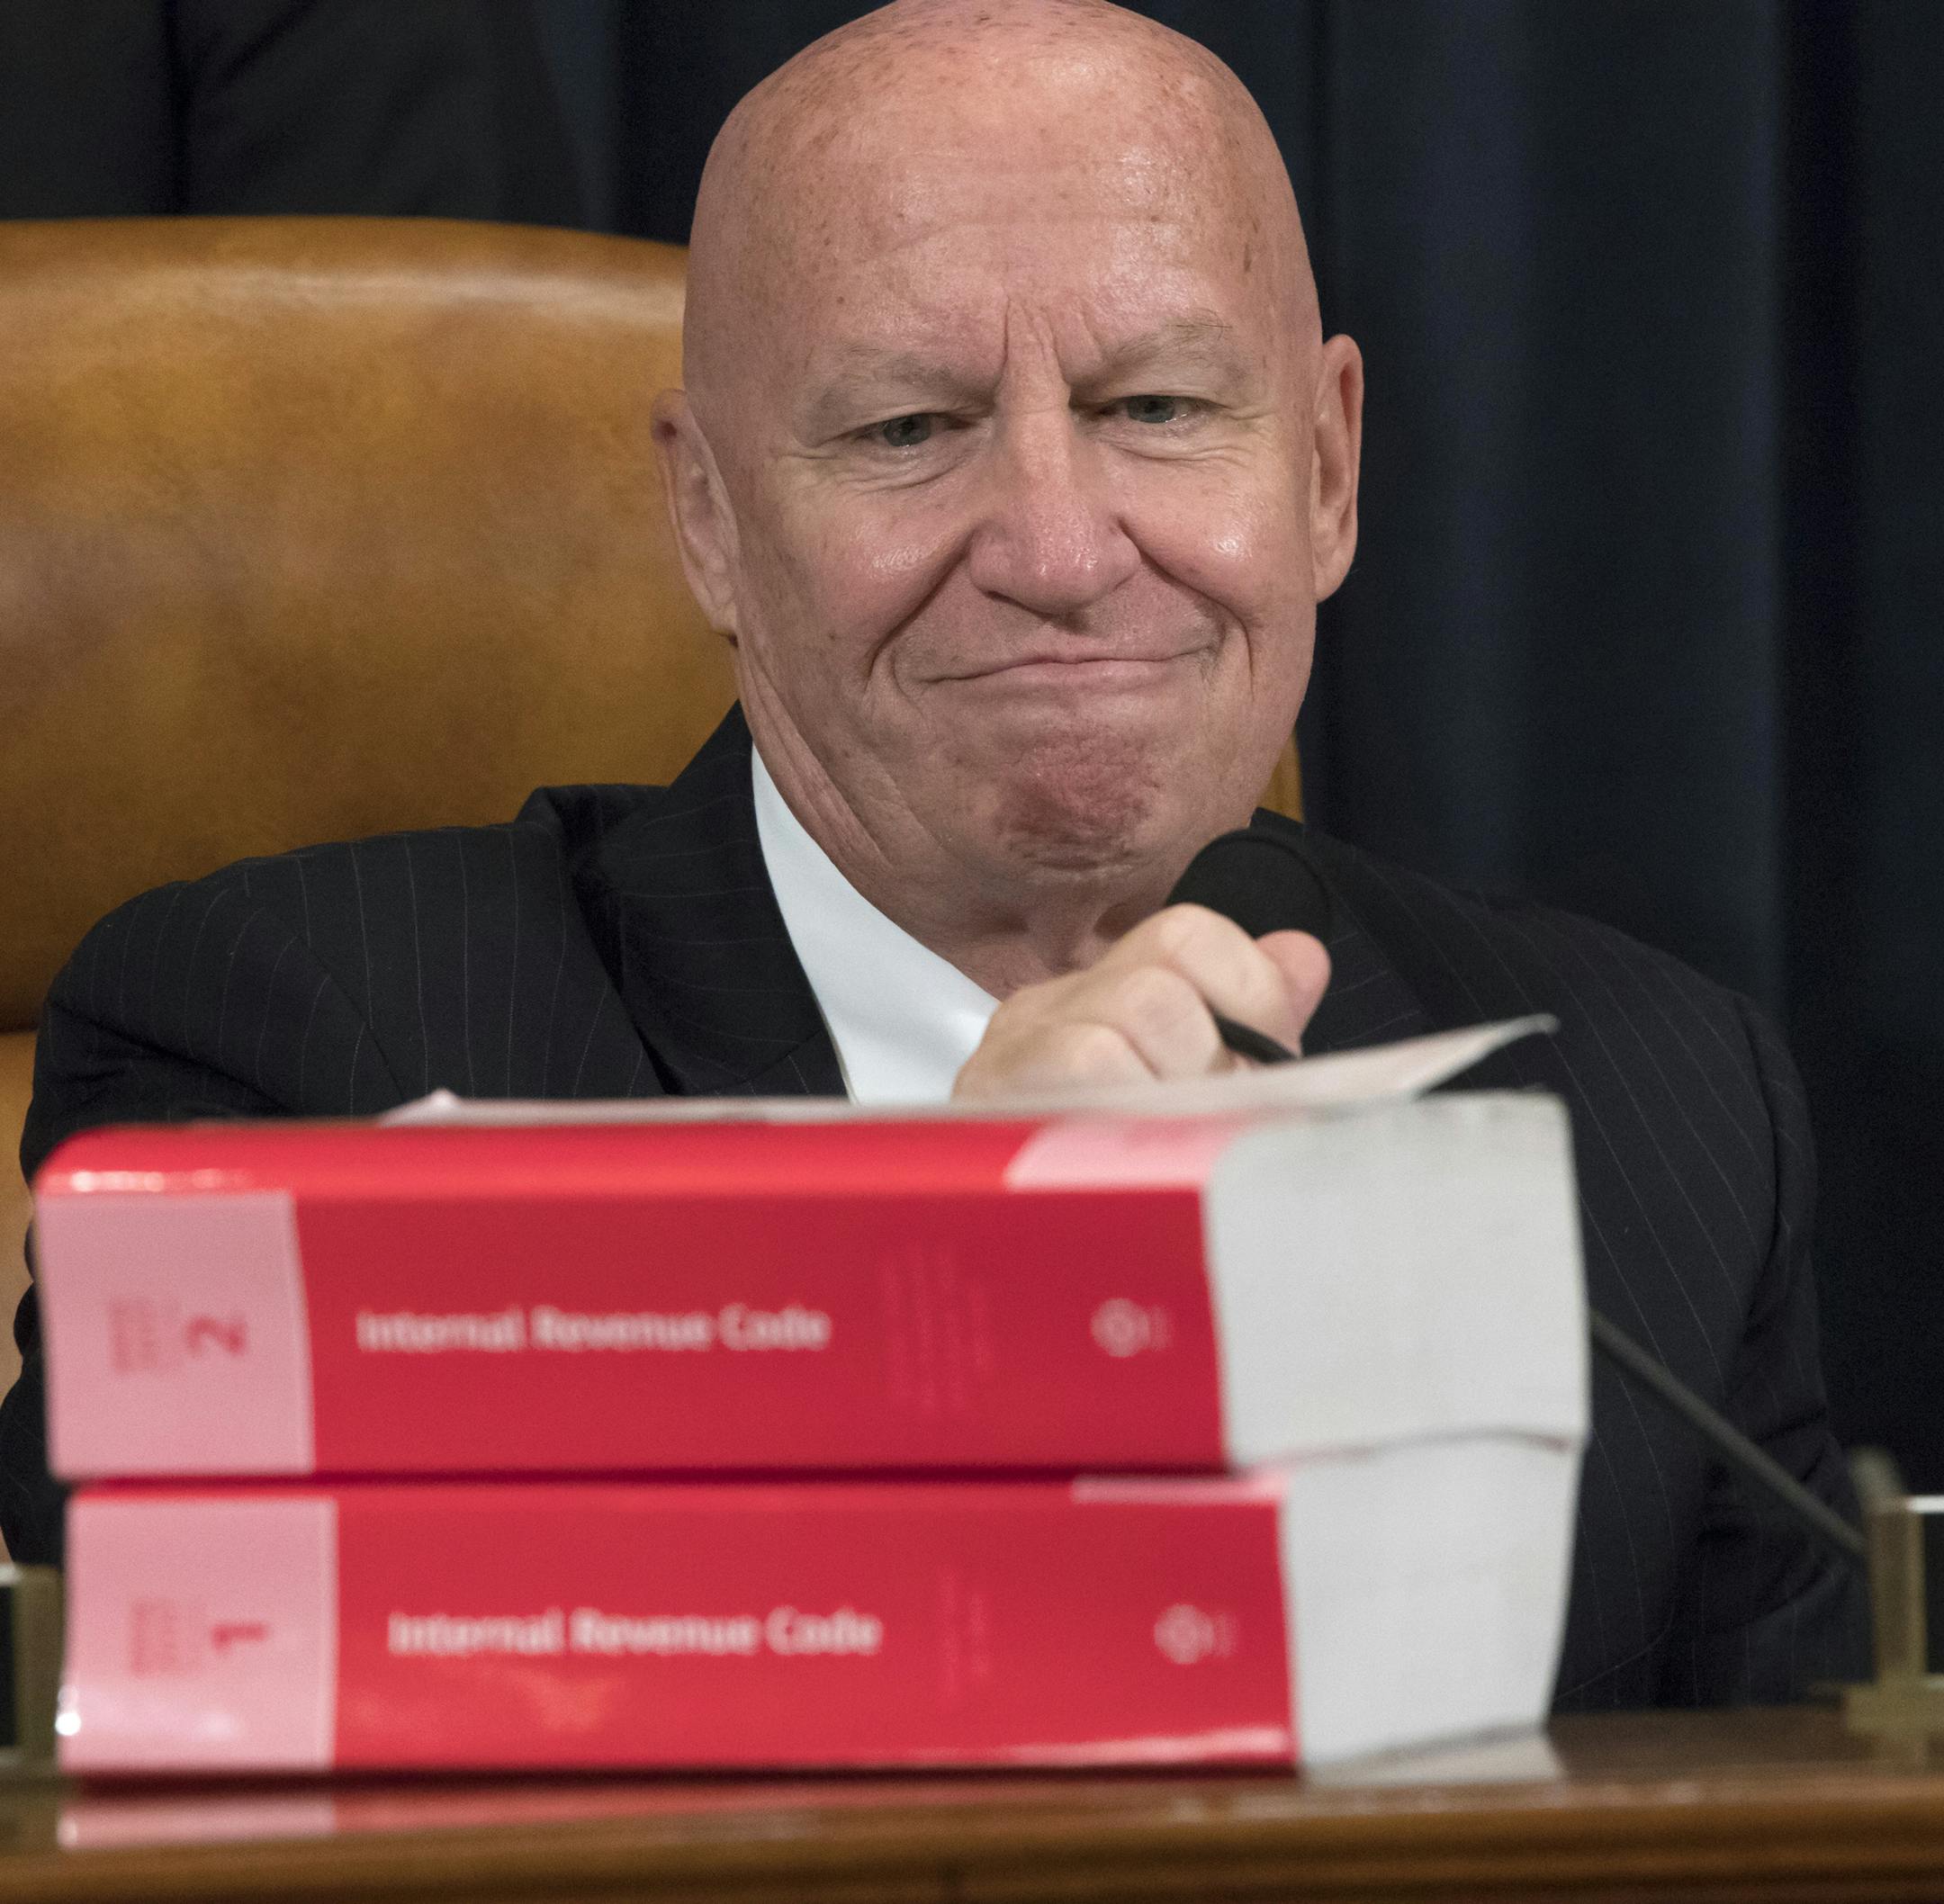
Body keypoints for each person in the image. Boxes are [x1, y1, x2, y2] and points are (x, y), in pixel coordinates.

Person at [4, 0, 1867, 1711]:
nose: (1057, 545)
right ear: (710, 519)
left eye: (1156, 408)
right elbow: (162, 1720)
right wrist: (930, 1272)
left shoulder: (1657, 1116)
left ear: (1325, 469)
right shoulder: (282, 1051)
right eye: (911, 427)